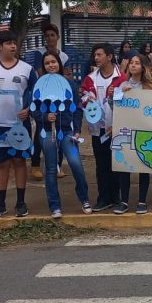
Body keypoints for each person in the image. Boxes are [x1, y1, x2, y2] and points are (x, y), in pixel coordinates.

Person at [31, 52, 91, 217]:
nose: (51, 65)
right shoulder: (39, 85)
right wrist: (44, 117)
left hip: (67, 132)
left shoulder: (70, 84)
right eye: (47, 63)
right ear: (44, 66)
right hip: (47, 133)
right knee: (50, 168)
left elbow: (78, 109)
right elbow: (33, 109)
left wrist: (77, 130)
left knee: (76, 164)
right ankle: (55, 206)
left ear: (59, 64)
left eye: (53, 62)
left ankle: (84, 199)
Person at [0, 30, 37, 218]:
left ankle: (21, 203)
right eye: (8, 43)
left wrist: (29, 109)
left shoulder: (27, 69)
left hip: (19, 125)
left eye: (14, 43)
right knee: (1, 164)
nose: (13, 46)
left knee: (19, 161)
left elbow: (36, 95)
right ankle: (0, 204)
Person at [105, 54, 152, 214]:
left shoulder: (150, 86)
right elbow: (114, 107)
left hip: (144, 131)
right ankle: (124, 201)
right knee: (124, 167)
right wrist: (116, 94)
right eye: (131, 63)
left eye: (137, 63)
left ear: (143, 67)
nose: (133, 66)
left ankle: (142, 201)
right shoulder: (122, 84)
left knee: (144, 165)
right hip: (126, 131)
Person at [80, 42, 126, 212]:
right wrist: (87, 99)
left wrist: (118, 125)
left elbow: (128, 103)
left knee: (117, 163)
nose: (96, 58)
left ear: (109, 56)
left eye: (99, 55)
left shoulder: (121, 77)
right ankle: (103, 197)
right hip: (97, 129)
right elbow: (82, 98)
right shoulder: (90, 78)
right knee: (101, 164)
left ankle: (116, 196)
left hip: (116, 128)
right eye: (95, 55)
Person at [30, 21, 69, 180]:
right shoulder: (39, 53)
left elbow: (68, 75)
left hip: (59, 96)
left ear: (58, 37)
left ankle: (57, 165)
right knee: (41, 130)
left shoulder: (64, 55)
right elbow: (41, 75)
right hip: (42, 96)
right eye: (46, 36)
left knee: (57, 130)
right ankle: (35, 164)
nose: (49, 38)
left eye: (52, 35)